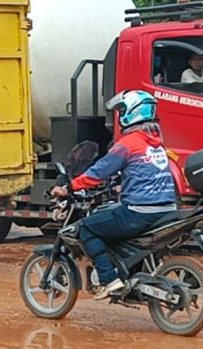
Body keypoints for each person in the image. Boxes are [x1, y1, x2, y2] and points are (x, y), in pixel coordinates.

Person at [51, 90, 177, 300]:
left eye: (122, 111)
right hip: (166, 209)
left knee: (87, 227)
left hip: (140, 212)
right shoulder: (155, 142)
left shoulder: (129, 143)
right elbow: (145, 172)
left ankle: (109, 280)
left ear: (133, 113)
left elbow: (99, 171)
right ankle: (132, 275)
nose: (120, 116)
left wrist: (69, 187)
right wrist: (122, 186)